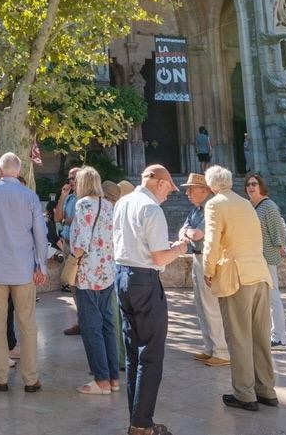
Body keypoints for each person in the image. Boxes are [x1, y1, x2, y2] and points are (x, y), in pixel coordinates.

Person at [114, 165, 189, 435]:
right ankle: (142, 424)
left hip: (122, 277)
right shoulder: (151, 209)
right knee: (151, 354)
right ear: (159, 183)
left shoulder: (123, 202)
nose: (169, 195)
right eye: (169, 189)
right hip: (144, 281)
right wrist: (180, 247)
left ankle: (136, 418)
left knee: (134, 353)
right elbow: (158, 258)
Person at [202, 165, 277, 413]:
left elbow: (211, 241)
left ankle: (245, 394)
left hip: (237, 276)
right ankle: (266, 390)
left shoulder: (215, 204)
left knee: (239, 337)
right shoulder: (246, 203)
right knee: (260, 335)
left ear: (212, 184)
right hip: (260, 273)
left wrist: (208, 270)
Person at [0, 152, 49, 394]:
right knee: (27, 323)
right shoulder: (30, 196)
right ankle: (30, 378)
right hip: (24, 267)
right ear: (18, 171)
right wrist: (42, 264)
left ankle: (0, 375)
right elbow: (40, 234)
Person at [66, 166, 120, 395]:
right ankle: (113, 378)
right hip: (107, 272)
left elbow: (82, 242)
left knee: (91, 327)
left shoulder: (83, 204)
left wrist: (71, 259)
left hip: (87, 274)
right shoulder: (108, 205)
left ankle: (101, 380)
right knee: (107, 325)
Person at [178, 171, 230, 367]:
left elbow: (198, 234)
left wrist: (188, 233)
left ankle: (222, 351)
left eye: (191, 190)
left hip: (209, 259)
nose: (187, 193)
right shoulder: (197, 210)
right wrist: (188, 232)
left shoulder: (211, 208)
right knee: (201, 306)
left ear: (203, 190)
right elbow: (183, 230)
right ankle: (210, 347)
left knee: (211, 305)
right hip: (197, 258)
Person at [243, 173, 286, 349]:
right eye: (248, 184)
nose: (251, 187)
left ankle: (279, 338)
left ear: (261, 186)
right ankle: (269, 334)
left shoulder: (268, 206)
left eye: (254, 183)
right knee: (262, 298)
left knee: (273, 297)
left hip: (267, 257)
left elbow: (278, 229)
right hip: (256, 257)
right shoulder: (253, 206)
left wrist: (281, 246)